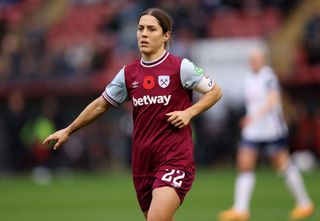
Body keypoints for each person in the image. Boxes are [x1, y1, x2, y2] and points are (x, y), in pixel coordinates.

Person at [43, 8, 222, 221]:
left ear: (165, 36)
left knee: (157, 218)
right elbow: (101, 104)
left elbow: (215, 91)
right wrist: (69, 130)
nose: (144, 34)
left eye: (151, 29)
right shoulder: (128, 74)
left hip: (174, 158)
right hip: (142, 162)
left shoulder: (180, 67)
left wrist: (189, 112)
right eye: (140, 29)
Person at [218, 48, 314, 221]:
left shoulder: (268, 76)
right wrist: (251, 121)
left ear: (263, 60)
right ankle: (241, 210)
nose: (253, 61)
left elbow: (272, 101)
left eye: (256, 58)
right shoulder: (249, 78)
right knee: (244, 164)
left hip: (270, 130)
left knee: (283, 166)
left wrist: (253, 117)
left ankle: (304, 203)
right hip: (253, 131)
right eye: (251, 59)